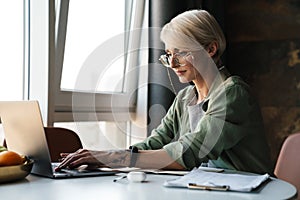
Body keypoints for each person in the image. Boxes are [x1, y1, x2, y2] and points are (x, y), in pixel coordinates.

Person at [56, 9, 272, 174]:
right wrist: (107, 159)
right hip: (208, 189)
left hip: (248, 193)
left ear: (210, 49)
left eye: (181, 52)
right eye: (169, 54)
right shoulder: (185, 98)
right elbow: (155, 142)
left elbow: (191, 152)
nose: (173, 63)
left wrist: (113, 157)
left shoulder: (233, 93)